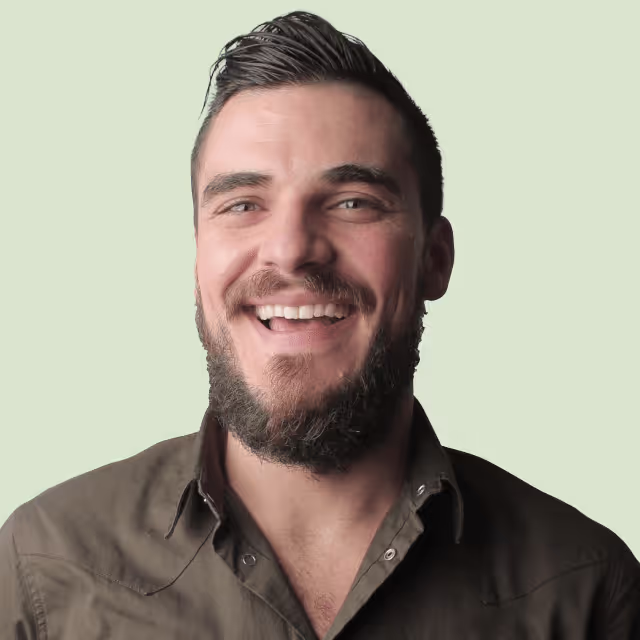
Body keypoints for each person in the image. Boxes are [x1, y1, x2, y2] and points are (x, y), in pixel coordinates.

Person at [1, 10, 638, 639]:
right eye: (242, 204)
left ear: (435, 260)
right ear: (198, 263)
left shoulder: (583, 589)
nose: (290, 250)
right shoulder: (42, 571)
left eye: (352, 202)